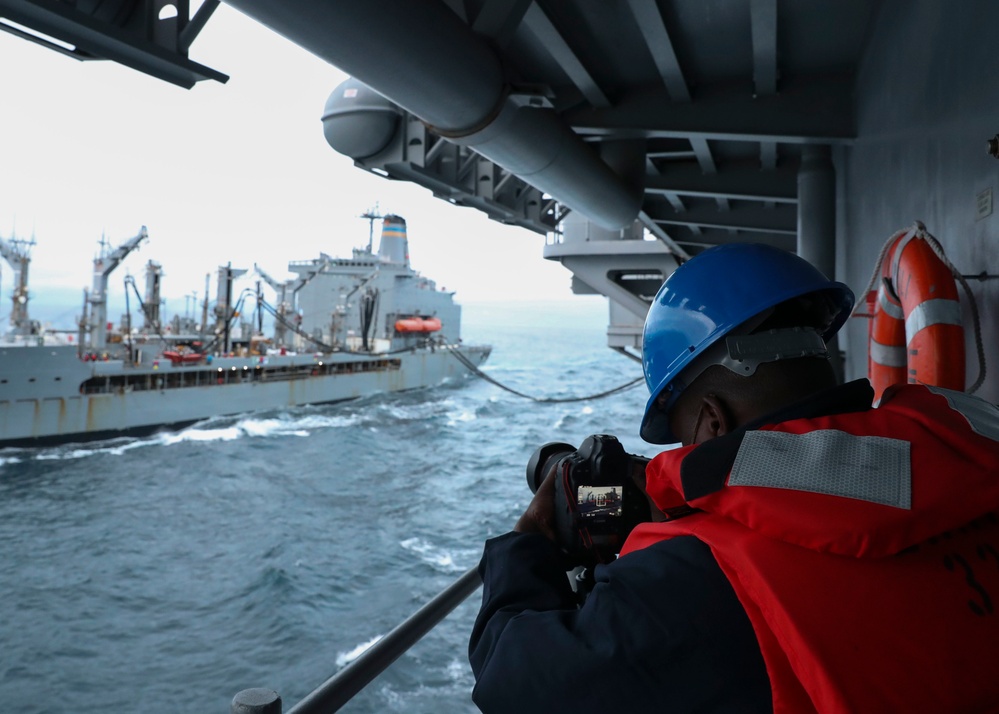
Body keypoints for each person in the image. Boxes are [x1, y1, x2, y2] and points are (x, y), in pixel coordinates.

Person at [468, 243, 999, 713]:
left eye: (683, 438)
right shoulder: (965, 435)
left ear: (712, 421)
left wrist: (529, 538)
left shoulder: (694, 578)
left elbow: (508, 679)